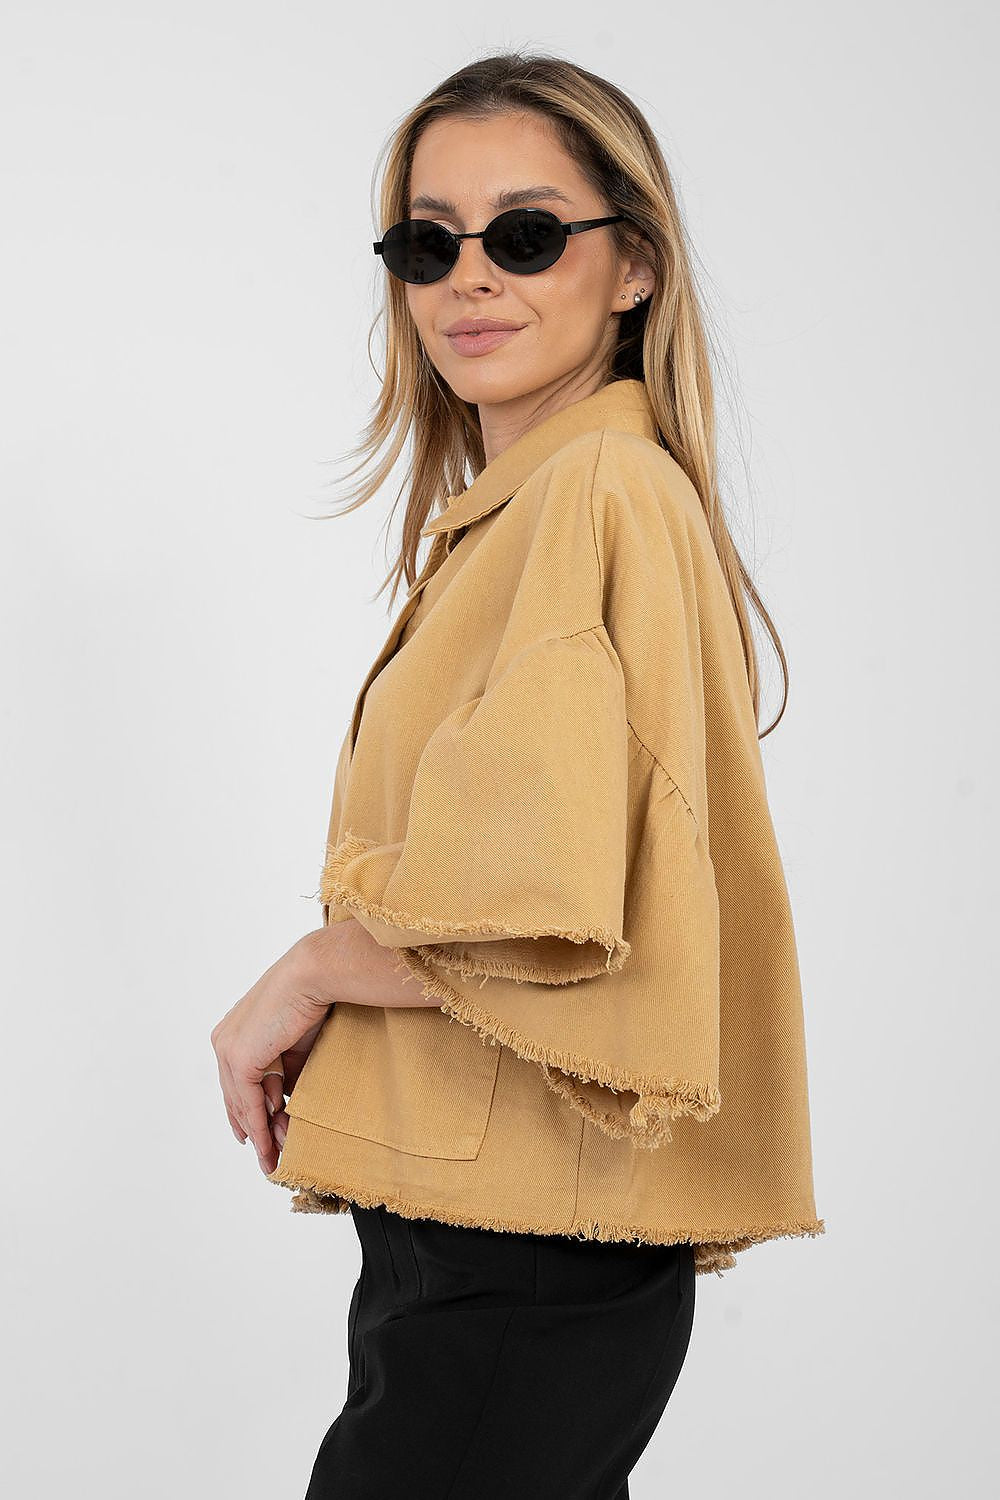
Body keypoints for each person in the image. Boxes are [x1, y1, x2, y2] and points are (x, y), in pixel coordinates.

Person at [210, 50, 824, 1499]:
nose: (470, 279)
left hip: (522, 1248)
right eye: (429, 243)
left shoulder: (596, 496)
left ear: (633, 268)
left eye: (529, 234)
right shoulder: (544, 504)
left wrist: (308, 967)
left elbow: (545, 908)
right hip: (496, 1229)